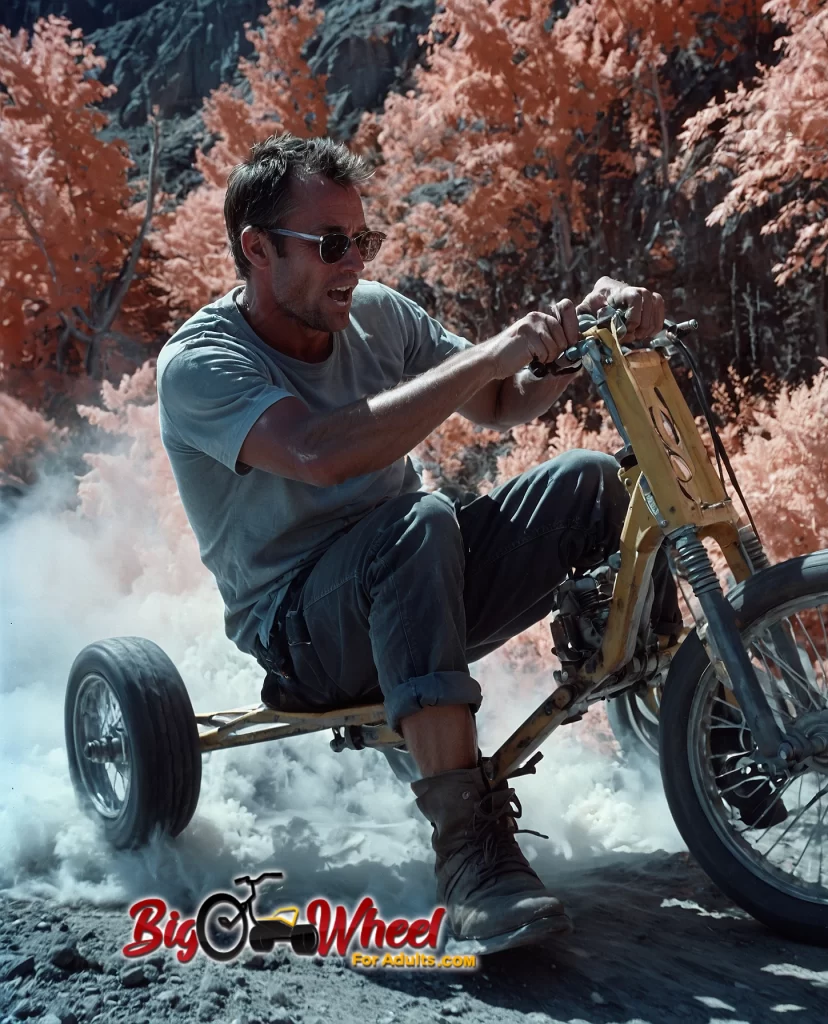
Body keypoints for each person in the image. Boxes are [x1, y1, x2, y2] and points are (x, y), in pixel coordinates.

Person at [156, 132, 683, 955]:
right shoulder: (199, 362)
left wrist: (585, 324)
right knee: (421, 519)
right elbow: (317, 454)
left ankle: (698, 735)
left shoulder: (380, 316)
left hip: (416, 574)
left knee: (587, 479)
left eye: (363, 240)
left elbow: (502, 400)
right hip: (305, 633)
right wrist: (485, 356)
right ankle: (468, 856)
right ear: (256, 249)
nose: (354, 262)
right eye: (332, 245)